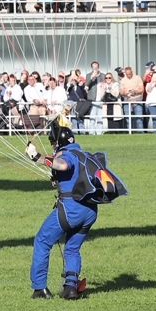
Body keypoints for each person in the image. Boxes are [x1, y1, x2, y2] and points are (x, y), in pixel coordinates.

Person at [25, 117, 125, 299]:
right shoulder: (84, 155)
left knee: (42, 241)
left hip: (71, 209)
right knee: (72, 248)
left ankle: (40, 288)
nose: (53, 147)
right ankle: (71, 287)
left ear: (58, 143)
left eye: (53, 143)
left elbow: (63, 165)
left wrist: (38, 158)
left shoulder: (65, 155)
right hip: (90, 211)